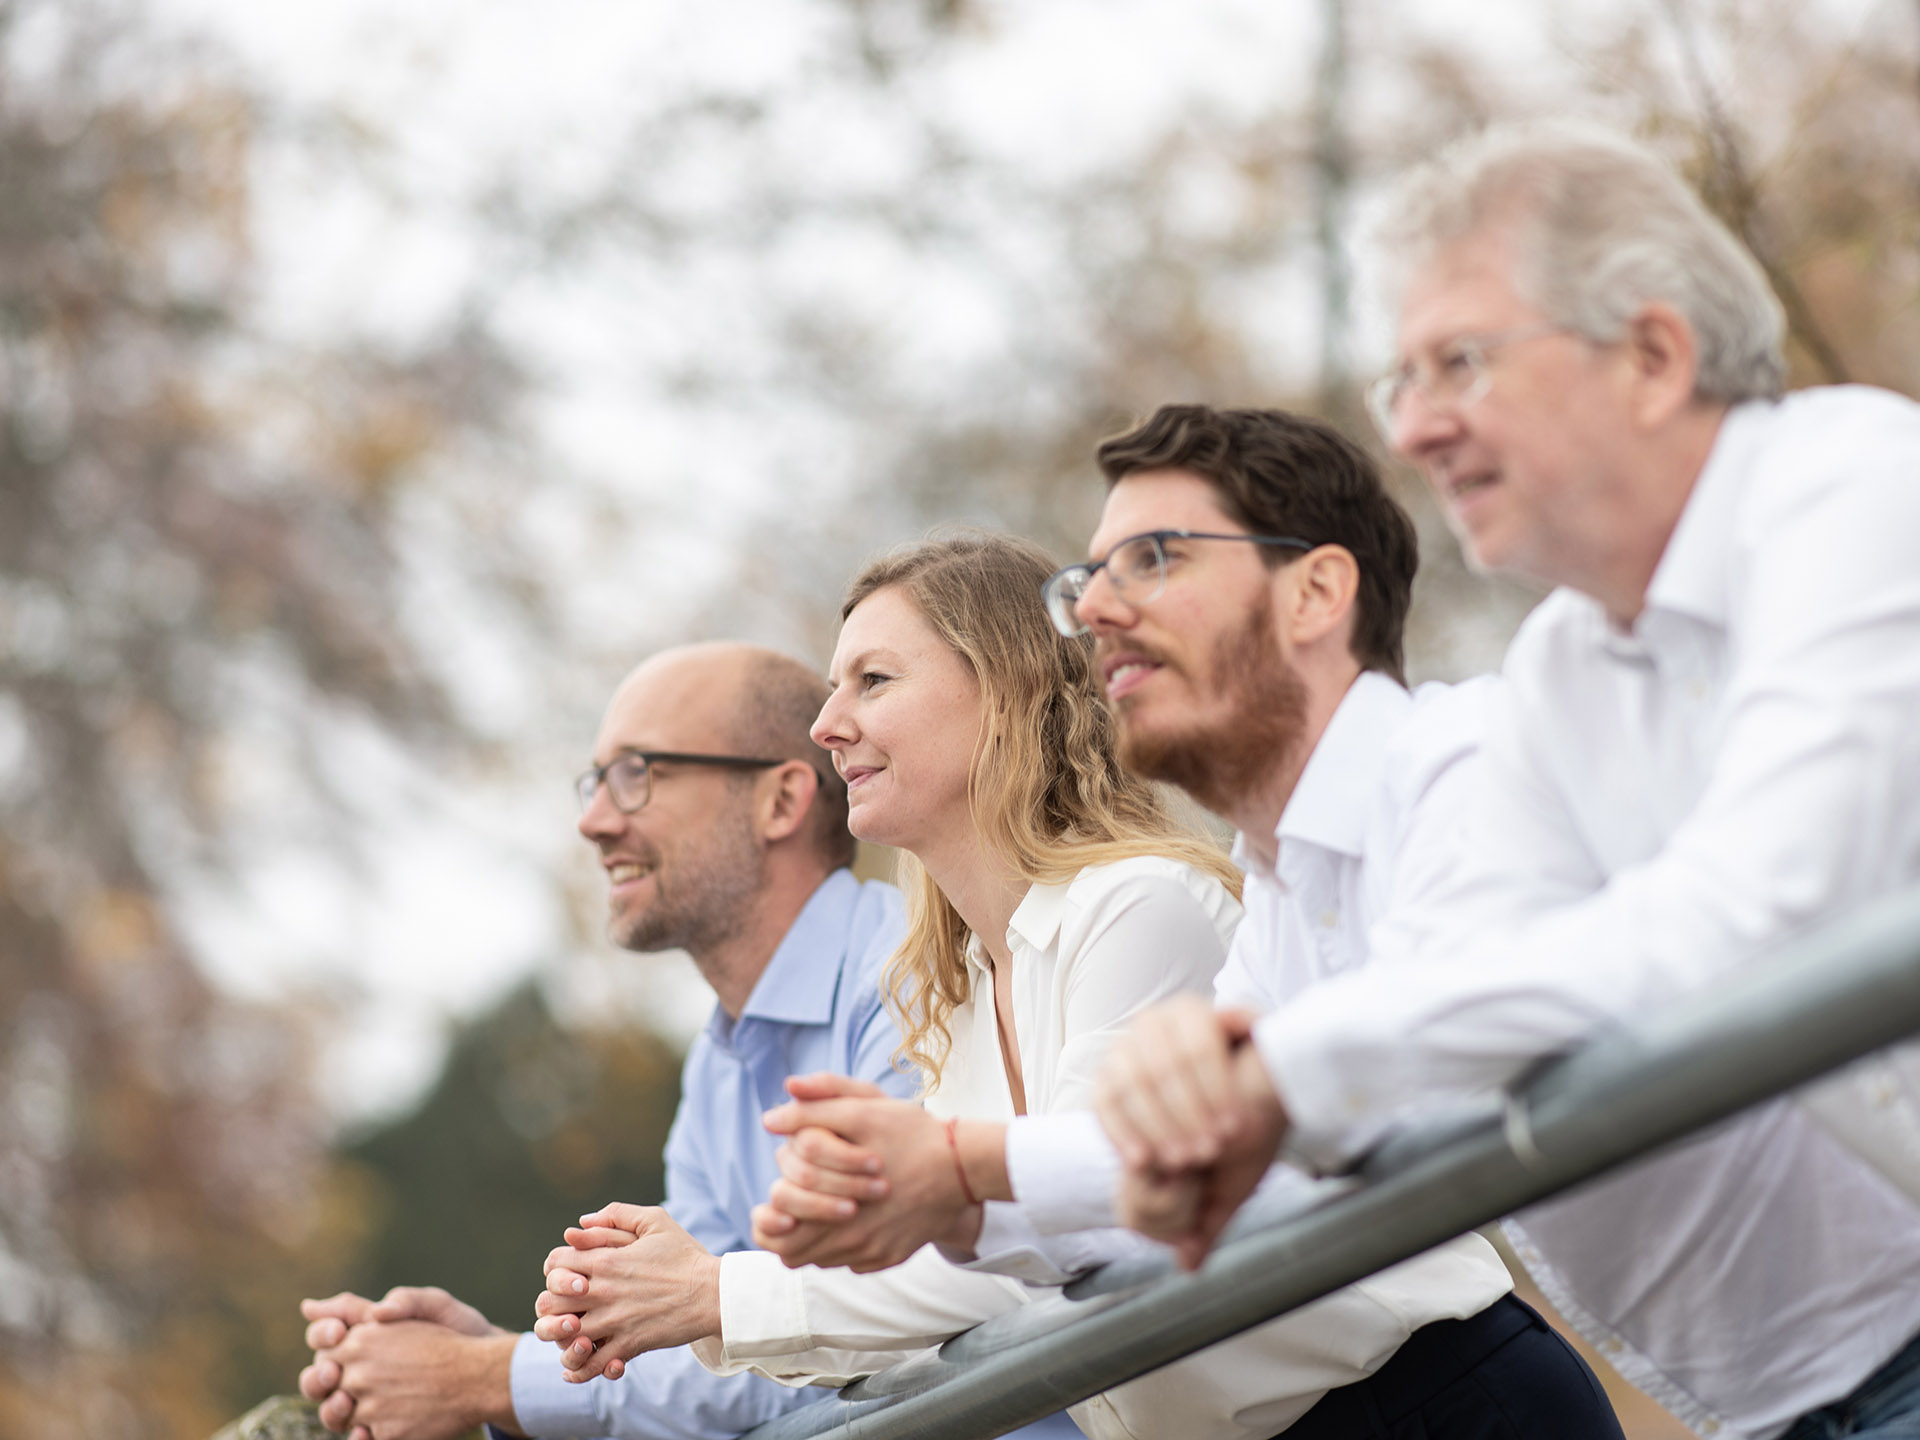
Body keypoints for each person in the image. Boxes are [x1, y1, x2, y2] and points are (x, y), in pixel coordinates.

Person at [1095, 123, 1920, 1440]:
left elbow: (1755, 911)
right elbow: (1468, 991)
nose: (1417, 426)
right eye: (1400, 381)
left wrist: (1273, 1076)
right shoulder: (1562, 672)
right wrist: (1219, 1114)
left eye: (1461, 362)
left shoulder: (1859, 481)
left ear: (1653, 355)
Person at [747, 416, 1624, 1439]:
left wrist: (940, 1181)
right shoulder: (1271, 894)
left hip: (1428, 1408)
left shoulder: (1440, 774)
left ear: (1317, 592)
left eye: (1154, 560)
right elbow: (1149, 1190)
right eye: (1095, 577)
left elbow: (1405, 1044)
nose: (1103, 608)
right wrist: (942, 1187)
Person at [536, 532, 1301, 1439]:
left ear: (1005, 693)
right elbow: (952, 1304)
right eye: (832, 687)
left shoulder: (1138, 908)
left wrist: (714, 1291)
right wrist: (681, 1297)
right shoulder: (954, 989)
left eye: (874, 680)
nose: (826, 725)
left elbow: (1064, 1233)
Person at [296, 643, 931, 1440]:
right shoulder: (718, 1065)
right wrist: (499, 1358)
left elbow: (871, 1342)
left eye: (638, 773)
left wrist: (484, 1380)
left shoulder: (907, 981)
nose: (594, 821)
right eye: (595, 781)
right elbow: (717, 1351)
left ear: (780, 801)